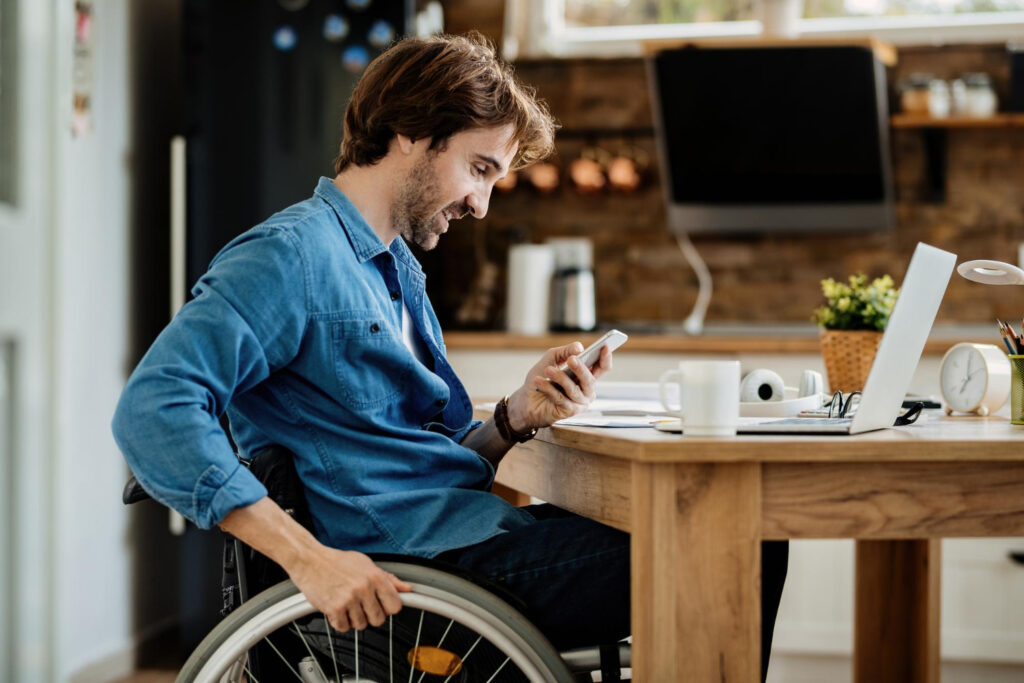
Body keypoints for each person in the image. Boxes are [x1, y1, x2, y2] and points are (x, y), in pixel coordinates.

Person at [113, 32, 787, 674]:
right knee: (740, 542)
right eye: (479, 169)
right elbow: (153, 410)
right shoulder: (292, 257)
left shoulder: (396, 269)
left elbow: (408, 462)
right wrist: (311, 560)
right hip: (427, 573)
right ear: (410, 131)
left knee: (734, 525)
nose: (482, 205)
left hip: (461, 540)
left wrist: (515, 417)